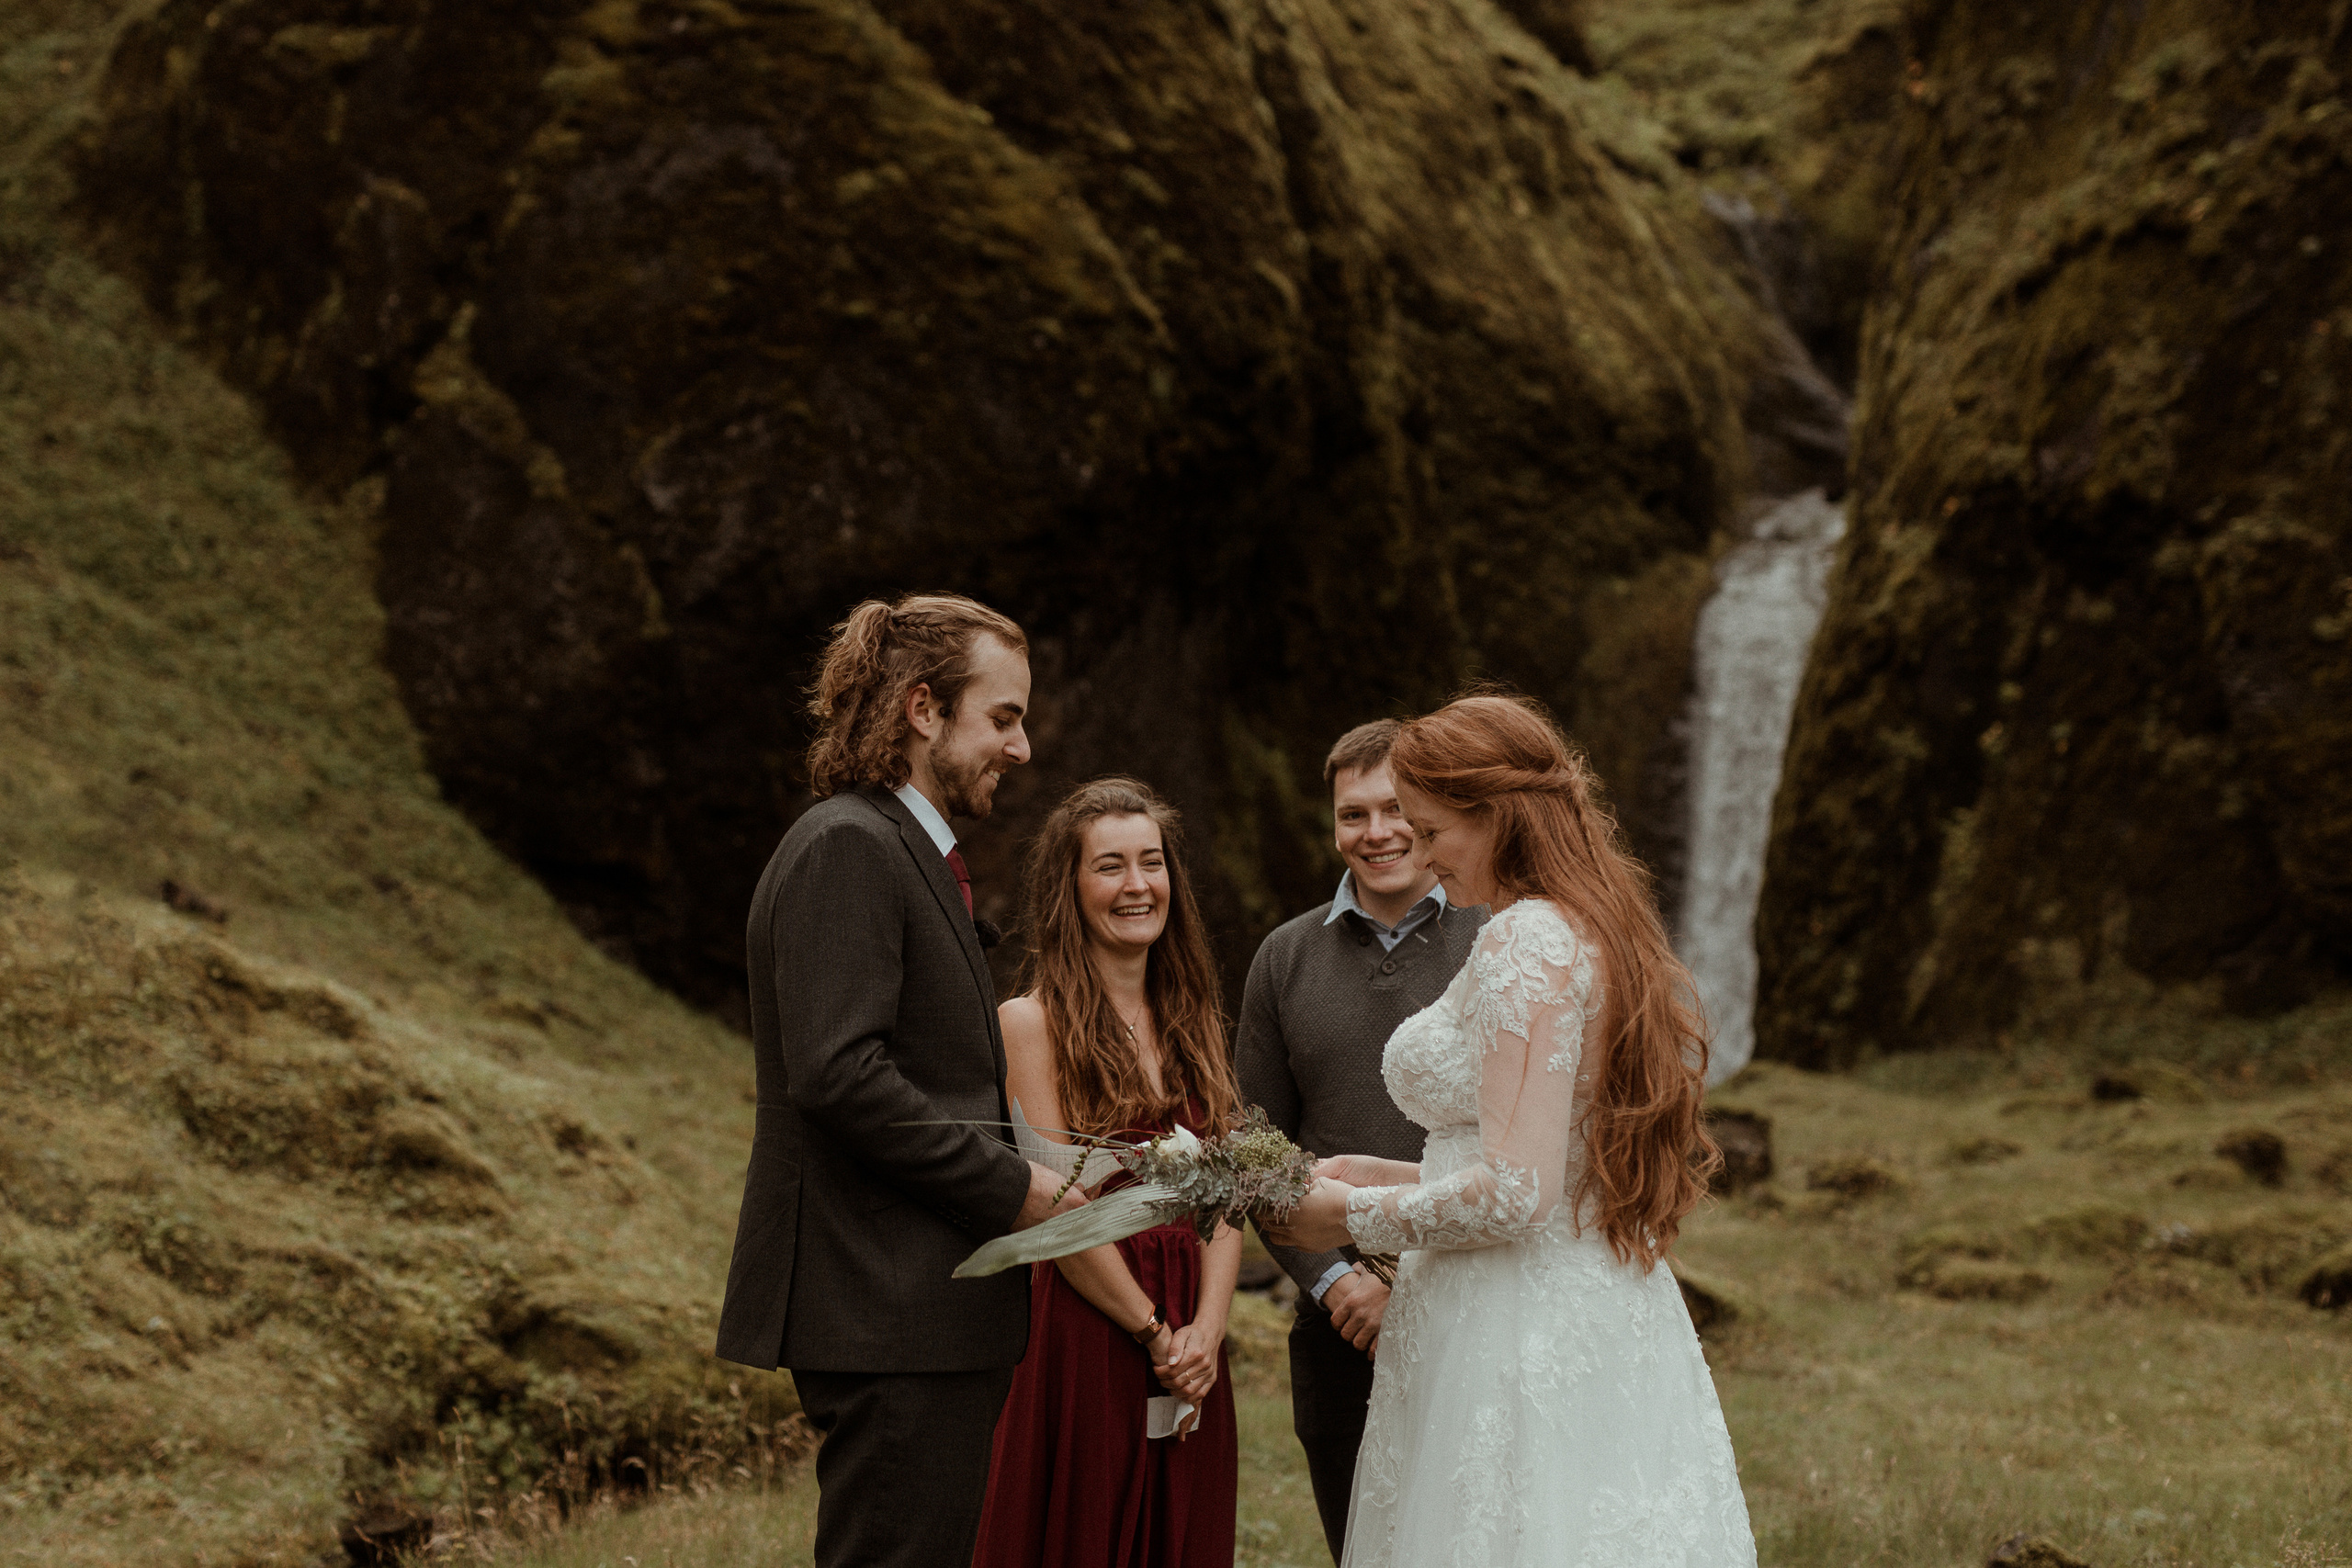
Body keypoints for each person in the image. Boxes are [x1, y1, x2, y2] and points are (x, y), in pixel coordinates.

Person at [1264, 694, 1757, 1568]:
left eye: (1429, 828)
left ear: (1493, 815)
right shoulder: (1586, 925)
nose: (1418, 852)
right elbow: (1537, 1153)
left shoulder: (1523, 939)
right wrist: (1383, 1173)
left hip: (1510, 1320)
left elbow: (1516, 1193)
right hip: (1578, 1295)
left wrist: (1344, 1217)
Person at [714, 592, 1087, 1568]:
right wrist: (1012, 1187)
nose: (1020, 748)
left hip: (919, 1309)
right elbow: (839, 1076)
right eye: (1001, 718)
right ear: (923, 709)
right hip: (884, 1308)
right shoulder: (849, 845)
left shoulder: (901, 848)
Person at [973, 777, 1243, 1568]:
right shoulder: (1029, 1022)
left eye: (1151, 863)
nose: (1136, 886)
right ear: (1071, 886)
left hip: (1196, 1340)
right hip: (1093, 1328)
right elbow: (1057, 1207)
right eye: (1110, 866)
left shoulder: (1195, 1018)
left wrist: (1208, 1332)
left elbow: (1228, 1192)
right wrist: (1154, 1331)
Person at [1235, 719, 1487, 1562]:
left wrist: (1409, 1283)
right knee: (1361, 1542)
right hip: (1337, 1322)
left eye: (1394, 809)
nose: (1376, 833)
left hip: (1474, 1300)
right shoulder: (1284, 957)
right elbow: (1255, 1144)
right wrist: (1334, 1280)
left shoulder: (1498, 937)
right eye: (1353, 814)